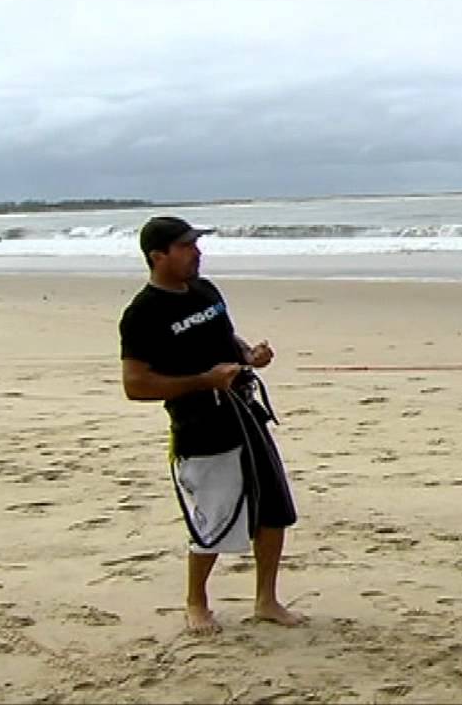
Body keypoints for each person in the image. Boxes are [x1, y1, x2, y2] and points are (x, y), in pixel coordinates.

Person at [119, 215, 307, 634]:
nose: (197, 252)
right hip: (200, 426)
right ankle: (195, 601)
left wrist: (248, 355)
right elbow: (135, 385)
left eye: (196, 244)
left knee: (274, 510)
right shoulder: (142, 314)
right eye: (186, 246)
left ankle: (266, 600)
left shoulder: (205, 290)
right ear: (158, 256)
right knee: (216, 519)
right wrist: (204, 381)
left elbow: (227, 339)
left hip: (245, 413)